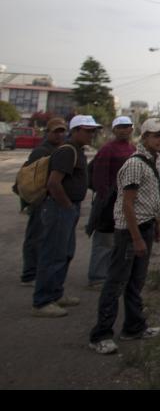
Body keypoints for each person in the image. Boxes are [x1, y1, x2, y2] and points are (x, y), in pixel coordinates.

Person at [88, 117, 160, 355]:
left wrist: (157, 222)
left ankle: (134, 326)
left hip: (145, 225)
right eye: (157, 135)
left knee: (136, 281)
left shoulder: (154, 159)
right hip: (129, 231)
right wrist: (136, 238)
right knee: (115, 282)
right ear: (144, 138)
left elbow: (149, 198)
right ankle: (100, 334)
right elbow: (127, 205)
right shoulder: (135, 164)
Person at [32, 114, 100, 318]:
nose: (91, 135)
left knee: (65, 252)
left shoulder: (77, 151)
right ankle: (42, 301)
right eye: (88, 131)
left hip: (68, 208)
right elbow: (54, 183)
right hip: (59, 208)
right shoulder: (67, 151)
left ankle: (56, 294)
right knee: (53, 254)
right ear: (76, 131)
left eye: (93, 131)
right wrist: (68, 206)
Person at [16, 117, 68, 287]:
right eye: (56, 132)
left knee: (46, 240)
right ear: (48, 133)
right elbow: (29, 178)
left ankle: (38, 271)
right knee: (35, 237)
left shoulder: (60, 149)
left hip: (52, 201)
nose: (60, 135)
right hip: (41, 200)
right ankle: (29, 274)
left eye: (62, 131)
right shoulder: (41, 151)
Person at [85, 116, 136, 288]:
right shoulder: (108, 149)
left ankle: (111, 274)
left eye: (127, 126)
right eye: (120, 127)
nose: (124, 130)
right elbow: (99, 177)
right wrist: (105, 198)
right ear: (114, 130)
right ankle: (97, 277)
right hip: (108, 202)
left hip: (125, 202)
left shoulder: (132, 148)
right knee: (104, 240)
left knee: (118, 241)